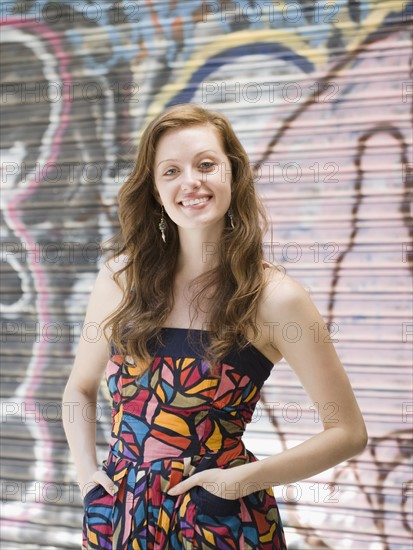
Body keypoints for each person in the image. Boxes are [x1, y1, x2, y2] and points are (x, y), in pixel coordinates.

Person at [62, 103, 368, 549]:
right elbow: (79, 388)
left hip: (222, 523)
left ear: (233, 173)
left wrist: (243, 480)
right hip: (121, 520)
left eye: (206, 164)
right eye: (170, 171)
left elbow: (348, 432)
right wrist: (87, 479)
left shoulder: (276, 297)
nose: (191, 182)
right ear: (153, 188)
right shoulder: (119, 279)